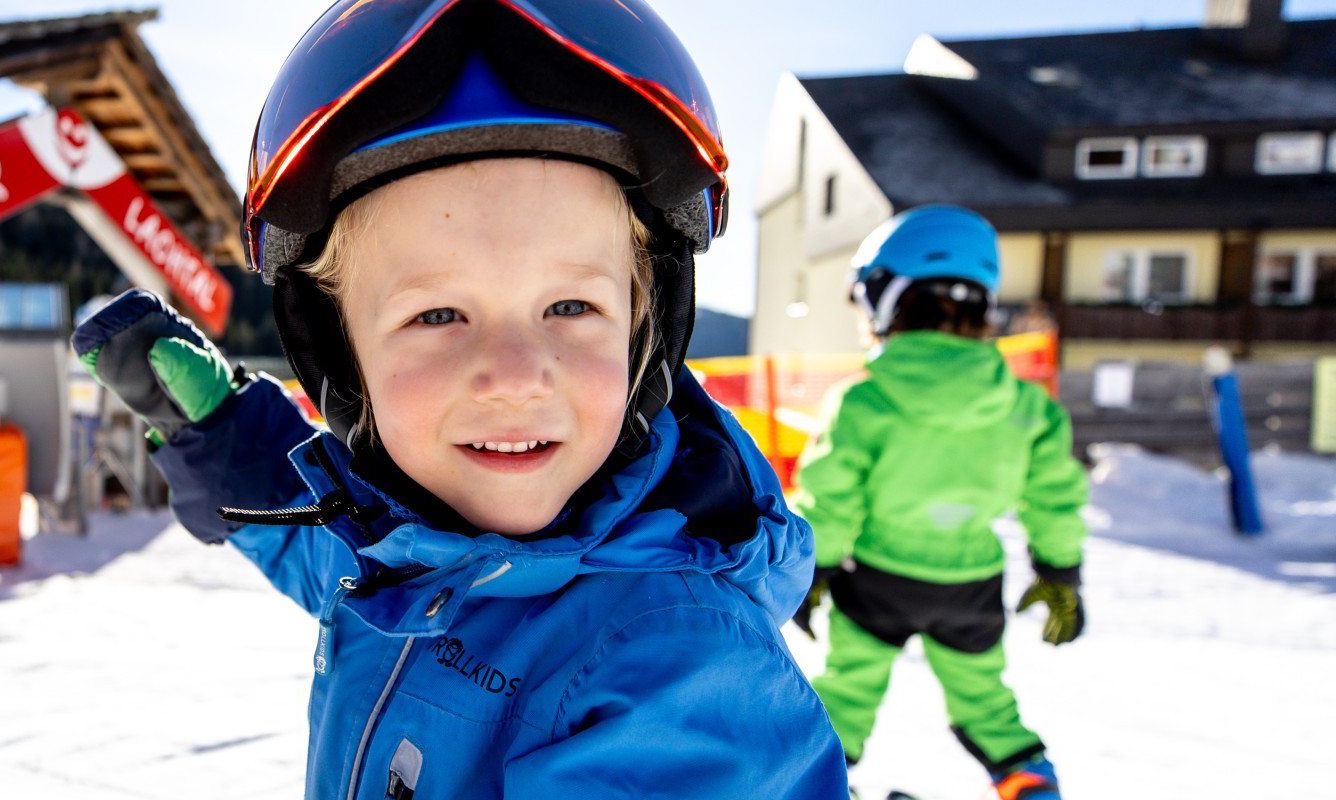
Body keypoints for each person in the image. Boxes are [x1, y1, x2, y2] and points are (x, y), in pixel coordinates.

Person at [72, 1, 845, 797]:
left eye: (570, 308)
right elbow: (343, 557)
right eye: (437, 315)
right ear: (344, 356)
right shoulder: (420, 546)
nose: (514, 375)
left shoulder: (675, 677)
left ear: (645, 332)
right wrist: (228, 437)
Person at [788, 206, 1088, 800]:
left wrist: (811, 567)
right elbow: (1055, 496)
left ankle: (806, 787)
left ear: (885, 297)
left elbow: (832, 497)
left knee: (844, 694)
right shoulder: (1028, 408)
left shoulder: (865, 402)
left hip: (875, 580)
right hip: (970, 585)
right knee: (985, 702)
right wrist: (1060, 572)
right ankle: (1031, 787)